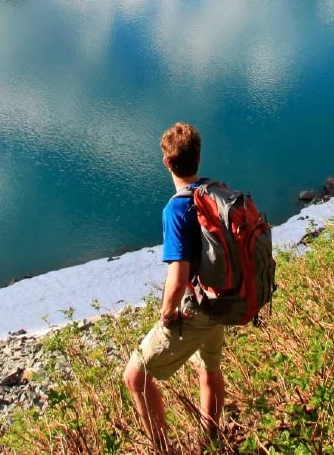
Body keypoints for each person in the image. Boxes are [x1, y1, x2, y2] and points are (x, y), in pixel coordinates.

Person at [122, 122, 226, 452]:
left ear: (167, 163)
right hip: (221, 300)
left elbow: (178, 275)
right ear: (198, 156)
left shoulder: (177, 209)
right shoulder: (216, 192)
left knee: (135, 376)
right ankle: (209, 441)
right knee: (208, 368)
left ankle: (163, 448)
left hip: (196, 307)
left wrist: (168, 313)